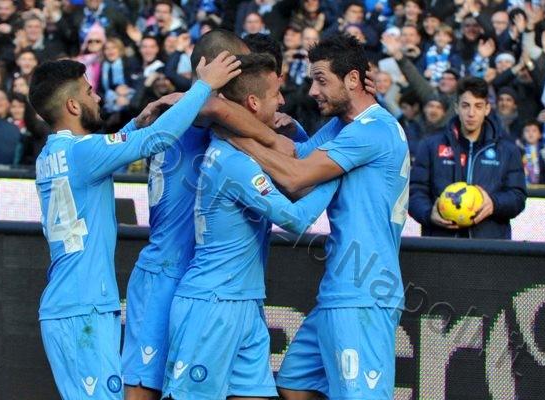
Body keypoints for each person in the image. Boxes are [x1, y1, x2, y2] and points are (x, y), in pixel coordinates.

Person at [29, 54, 241, 400]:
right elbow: (158, 139)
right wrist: (204, 87)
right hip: (84, 308)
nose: (98, 97)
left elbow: (106, 151)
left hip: (71, 304)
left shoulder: (51, 154)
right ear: (72, 105)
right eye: (89, 91)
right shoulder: (84, 153)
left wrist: (134, 124)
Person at [229, 34, 409, 400]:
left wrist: (232, 135)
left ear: (353, 80)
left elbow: (296, 178)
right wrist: (258, 127)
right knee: (295, 385)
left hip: (363, 293)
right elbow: (296, 155)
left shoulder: (372, 131)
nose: (313, 90)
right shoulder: (345, 125)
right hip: (339, 291)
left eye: (321, 80)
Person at [121, 29, 293, 400]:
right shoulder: (195, 113)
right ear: (215, 67)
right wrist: (273, 137)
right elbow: (214, 108)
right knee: (144, 388)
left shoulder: (190, 112)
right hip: (166, 275)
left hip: (213, 286)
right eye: (238, 64)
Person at [162, 52, 339, 400]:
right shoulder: (234, 163)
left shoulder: (242, 152)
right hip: (212, 304)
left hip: (245, 302)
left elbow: (295, 162)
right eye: (276, 93)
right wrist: (336, 171)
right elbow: (295, 219)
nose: (282, 101)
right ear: (254, 102)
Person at [409, 77, 527, 239]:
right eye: (465, 105)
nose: (471, 113)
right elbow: (415, 191)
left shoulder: (507, 150)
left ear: (487, 108)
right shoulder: (431, 145)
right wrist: (429, 213)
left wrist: (494, 204)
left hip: (489, 246)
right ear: (456, 108)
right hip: (441, 243)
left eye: (478, 106)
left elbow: (518, 197)